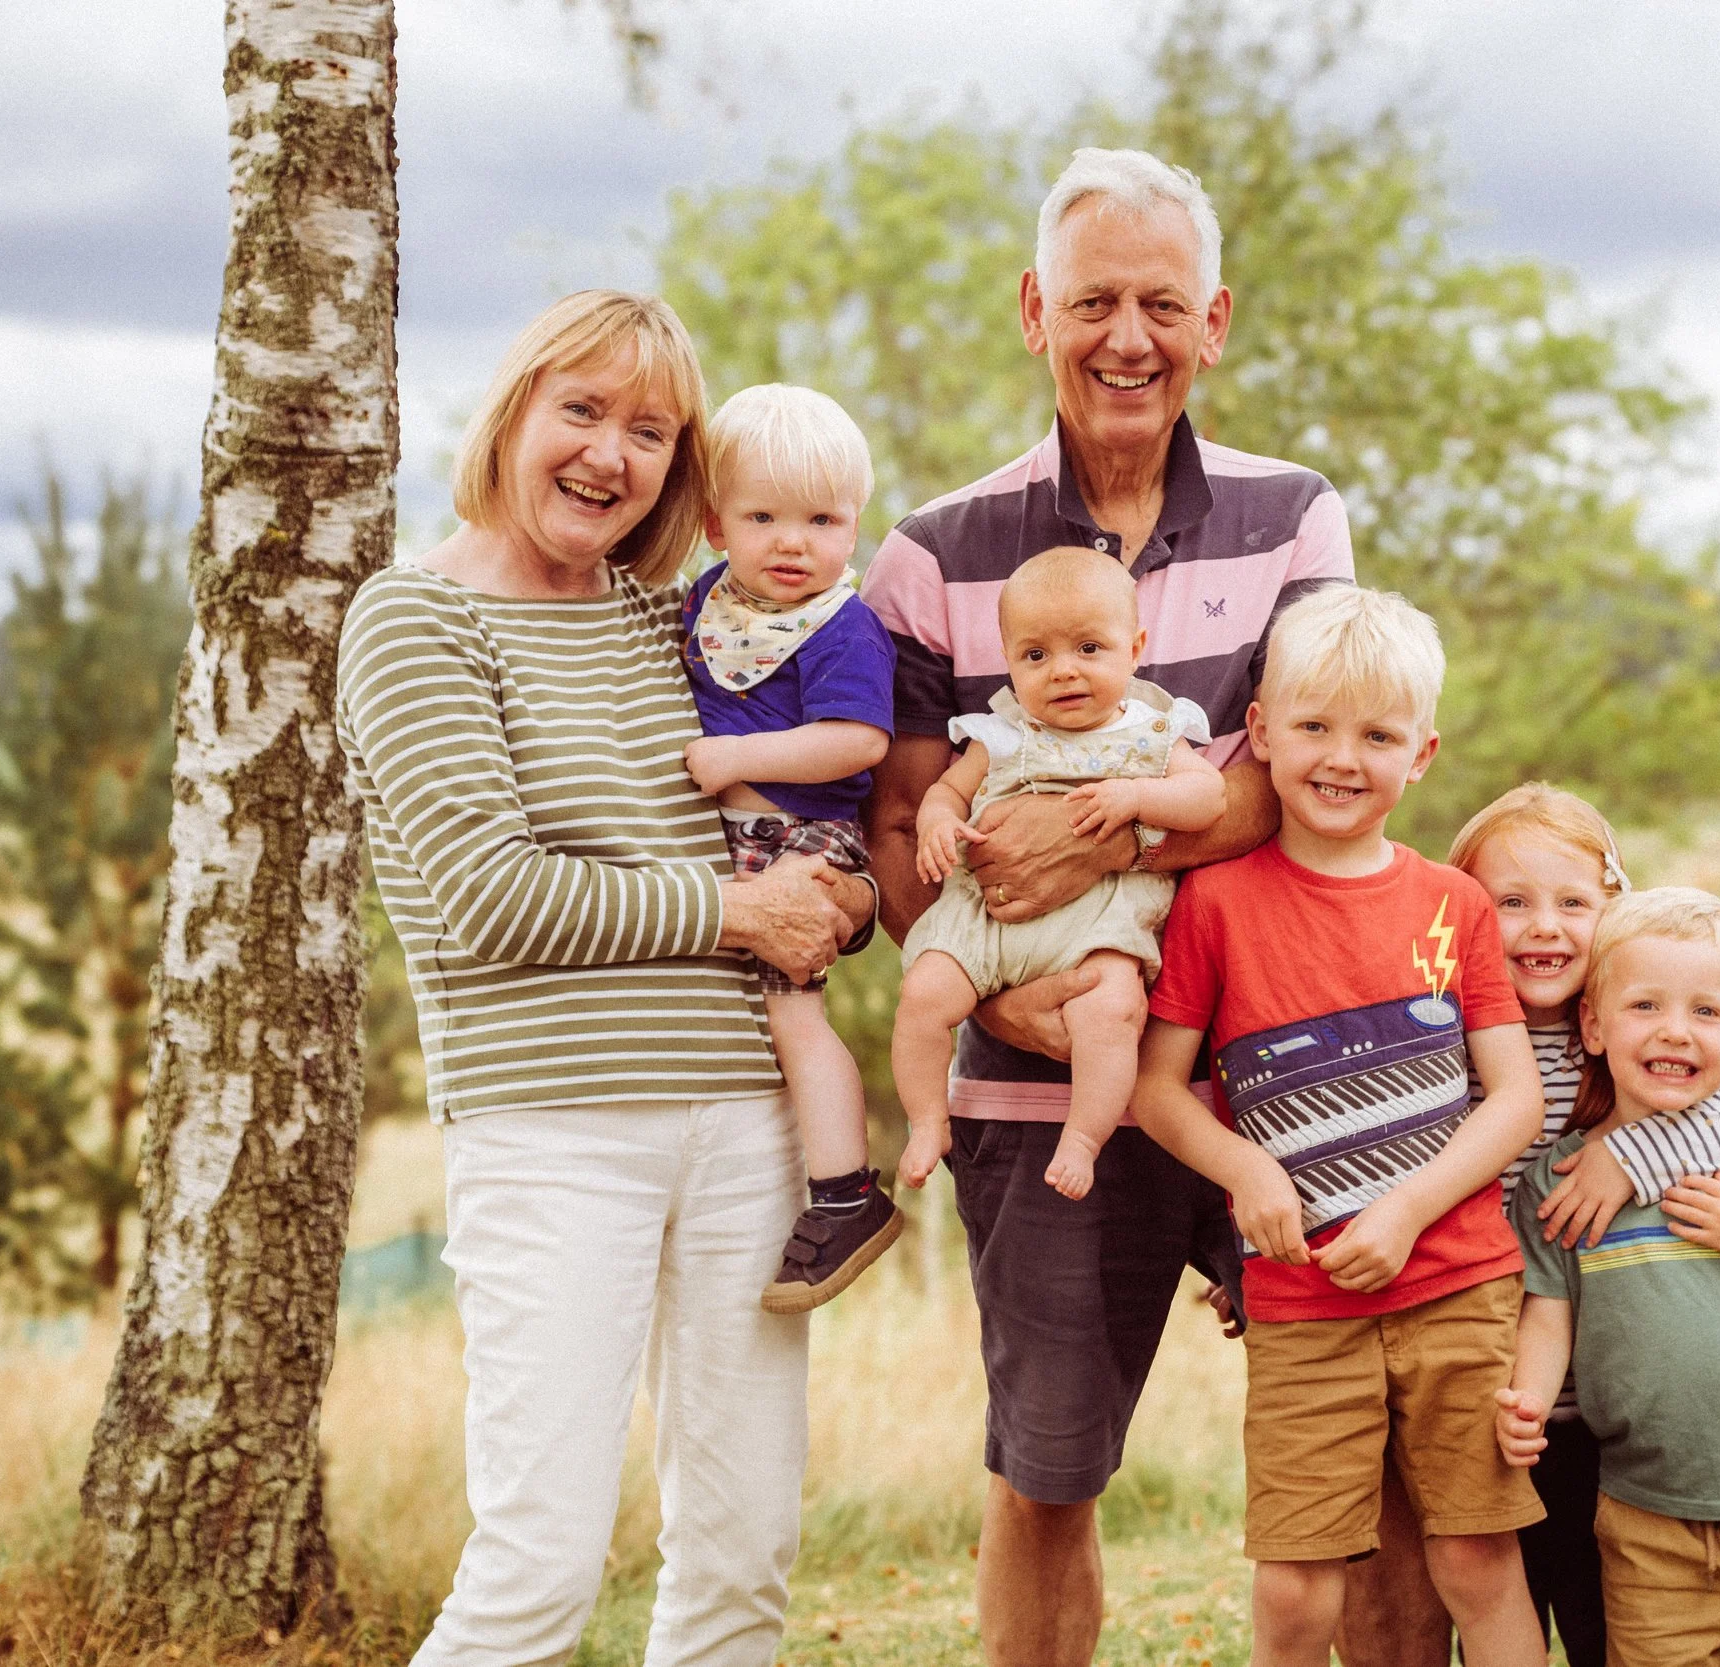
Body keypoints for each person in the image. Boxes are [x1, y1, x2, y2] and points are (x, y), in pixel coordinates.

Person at [859, 146, 1352, 1664]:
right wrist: (1012, 989)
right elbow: (897, 820)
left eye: (1158, 302)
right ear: (1034, 312)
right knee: (1049, 1472)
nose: (1125, 337)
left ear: (1214, 321)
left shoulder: (1295, 518)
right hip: (1031, 1096)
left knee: (1374, 1448)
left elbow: (1302, 780)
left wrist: (1099, 857)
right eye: (1092, 302)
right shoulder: (934, 552)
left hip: (1276, 1063)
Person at [336, 290, 871, 1667]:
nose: (610, 454)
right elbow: (492, 894)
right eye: (581, 410)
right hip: (553, 1131)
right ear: (514, 411)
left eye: (649, 429)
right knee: (538, 1565)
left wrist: (843, 897)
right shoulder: (415, 618)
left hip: (747, 1125)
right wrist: (740, 911)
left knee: (744, 1555)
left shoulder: (673, 623)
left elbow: (791, 834)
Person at [1133, 585, 1551, 1667]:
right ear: (1262, 732)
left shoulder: (1450, 905)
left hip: (1460, 1281)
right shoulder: (1216, 902)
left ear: (1421, 754)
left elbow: (1513, 1098)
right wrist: (1244, 1170)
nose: (1341, 756)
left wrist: (1410, 1210)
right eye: (1313, 726)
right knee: (1298, 1576)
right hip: (1300, 1296)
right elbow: (1156, 1089)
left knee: (1474, 1557)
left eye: (1376, 734)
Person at [1343, 784, 1720, 1667]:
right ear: (1461, 911)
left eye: (1572, 903)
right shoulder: (1444, 1044)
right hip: (1489, 1397)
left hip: (1609, 1407)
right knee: (1494, 1604)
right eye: (1509, 902)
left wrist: (1637, 1150)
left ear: (1612, 913)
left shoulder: (1631, 1036)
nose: (1542, 927)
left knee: (1610, 1619)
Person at [1497, 888, 1720, 1667]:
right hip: (1644, 1524)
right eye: (1645, 1005)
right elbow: (1548, 1318)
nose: (1675, 1030)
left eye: (1706, 1011)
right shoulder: (1557, 1183)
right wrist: (1526, 1404)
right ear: (1593, 1027)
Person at [894, 548, 1226, 1200]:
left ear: (1135, 648)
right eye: (1036, 656)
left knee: (1111, 1009)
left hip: (1096, 922)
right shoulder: (1001, 732)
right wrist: (938, 822)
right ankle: (928, 1119)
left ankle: (1084, 1135)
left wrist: (1136, 798)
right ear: (1010, 661)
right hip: (989, 917)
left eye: (1089, 648)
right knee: (925, 996)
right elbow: (947, 791)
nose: (1063, 671)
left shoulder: (1152, 733)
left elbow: (1208, 798)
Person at [679, 383, 902, 1313]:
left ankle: (846, 1192)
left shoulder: (842, 625)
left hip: (804, 839)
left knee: (793, 1016)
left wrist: (737, 755)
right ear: (714, 521)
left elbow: (859, 740)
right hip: (737, 841)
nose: (791, 541)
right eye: (762, 515)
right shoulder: (707, 601)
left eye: (821, 519)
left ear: (854, 528)